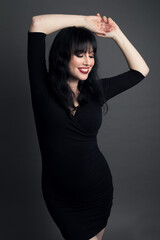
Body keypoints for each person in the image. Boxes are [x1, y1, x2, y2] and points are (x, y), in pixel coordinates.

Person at [27, 13, 149, 240]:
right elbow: (37, 24)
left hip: (97, 189)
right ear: (63, 56)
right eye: (80, 54)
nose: (88, 62)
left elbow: (140, 70)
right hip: (60, 195)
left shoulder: (96, 91)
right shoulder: (42, 89)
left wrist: (115, 34)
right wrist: (85, 22)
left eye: (91, 55)